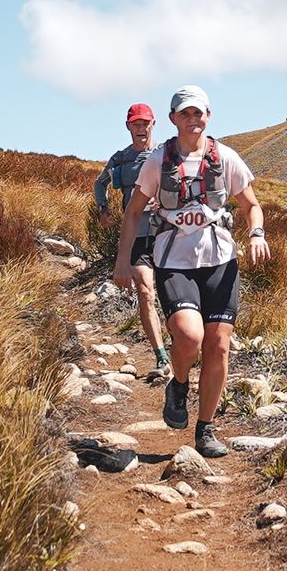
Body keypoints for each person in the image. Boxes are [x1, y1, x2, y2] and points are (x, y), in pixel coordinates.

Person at [111, 84, 268, 459]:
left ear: (208, 116)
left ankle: (205, 429)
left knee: (218, 346)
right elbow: (134, 211)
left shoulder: (226, 158)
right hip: (173, 261)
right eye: (185, 113)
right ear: (173, 119)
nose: (193, 119)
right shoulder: (157, 162)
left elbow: (252, 205)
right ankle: (179, 384)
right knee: (190, 338)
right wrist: (123, 261)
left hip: (220, 262)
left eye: (199, 113)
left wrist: (258, 234)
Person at [98, 103, 169, 378]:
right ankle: (161, 357)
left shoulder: (165, 155)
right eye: (135, 124)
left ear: (153, 125)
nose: (141, 129)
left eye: (145, 124)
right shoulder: (120, 159)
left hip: (165, 233)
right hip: (136, 234)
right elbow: (99, 183)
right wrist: (104, 209)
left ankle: (182, 346)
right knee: (145, 291)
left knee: (170, 294)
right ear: (128, 126)